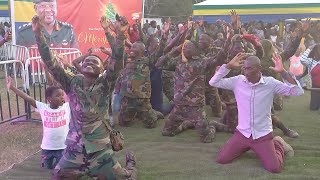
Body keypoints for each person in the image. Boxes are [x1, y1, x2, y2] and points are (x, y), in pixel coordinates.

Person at [32, 15, 137, 179]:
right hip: (74, 152)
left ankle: (130, 165)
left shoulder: (105, 84)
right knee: (57, 176)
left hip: (100, 153)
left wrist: (121, 35)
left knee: (126, 178)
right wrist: (38, 34)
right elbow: (51, 62)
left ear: (102, 69)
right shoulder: (71, 83)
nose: (89, 62)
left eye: (95, 62)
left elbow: (116, 62)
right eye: (87, 60)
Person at [210, 53, 304, 173]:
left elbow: (297, 91)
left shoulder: (270, 83)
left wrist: (283, 72)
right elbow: (213, 82)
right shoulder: (237, 81)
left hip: (262, 135)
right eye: (244, 68)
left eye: (249, 68)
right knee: (221, 159)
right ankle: (245, 147)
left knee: (274, 168)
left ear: (259, 68)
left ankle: (278, 144)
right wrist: (228, 66)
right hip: (242, 134)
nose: (245, 72)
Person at [156, 40, 227, 143]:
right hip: (179, 106)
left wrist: (228, 41)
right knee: (166, 132)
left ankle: (212, 126)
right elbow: (159, 64)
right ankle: (186, 124)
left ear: (196, 50)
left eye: (188, 47)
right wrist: (174, 51)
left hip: (195, 108)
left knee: (206, 138)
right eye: (184, 47)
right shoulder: (178, 61)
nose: (184, 48)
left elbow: (218, 59)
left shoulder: (202, 62)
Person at [7, 78, 70, 169]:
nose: (62, 97)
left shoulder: (66, 107)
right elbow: (27, 98)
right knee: (46, 167)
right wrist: (12, 87)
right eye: (58, 95)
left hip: (63, 147)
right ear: (49, 99)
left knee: (60, 169)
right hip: (47, 148)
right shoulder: (43, 107)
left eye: (62, 95)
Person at [299, 44, 320, 111]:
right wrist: (309, 48)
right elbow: (302, 60)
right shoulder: (311, 61)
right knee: (313, 108)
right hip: (314, 86)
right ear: (315, 51)